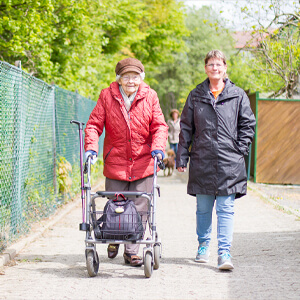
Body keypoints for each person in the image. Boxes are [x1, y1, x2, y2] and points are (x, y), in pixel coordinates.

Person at [84, 57, 168, 267]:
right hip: (116, 163)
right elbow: (94, 125)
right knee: (116, 205)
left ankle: (131, 251)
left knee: (140, 207)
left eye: (135, 76)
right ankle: (114, 238)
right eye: (126, 76)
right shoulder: (107, 96)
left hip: (143, 163)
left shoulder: (150, 96)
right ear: (119, 79)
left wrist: (157, 147)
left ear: (141, 78)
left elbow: (159, 126)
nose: (131, 80)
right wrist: (91, 149)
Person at [176, 50, 256, 270]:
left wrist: (239, 149)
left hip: (229, 162)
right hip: (202, 160)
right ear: (205, 68)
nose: (215, 68)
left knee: (226, 208)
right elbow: (185, 127)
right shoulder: (195, 95)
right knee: (203, 208)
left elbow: (248, 124)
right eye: (210, 64)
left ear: (225, 67)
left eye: (218, 64)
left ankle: (224, 253)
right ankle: (203, 246)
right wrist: (182, 157)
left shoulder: (237, 95)